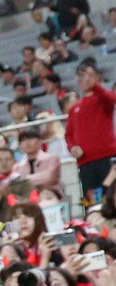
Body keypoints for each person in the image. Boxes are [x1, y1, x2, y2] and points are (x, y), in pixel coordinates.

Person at [67, 59, 116, 199]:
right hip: (85, 163)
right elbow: (69, 135)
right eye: (81, 76)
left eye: (89, 75)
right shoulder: (74, 108)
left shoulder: (103, 98)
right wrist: (72, 148)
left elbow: (112, 100)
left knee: (112, 198)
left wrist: (96, 86)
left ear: (97, 77)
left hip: (108, 158)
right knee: (92, 203)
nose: (85, 79)